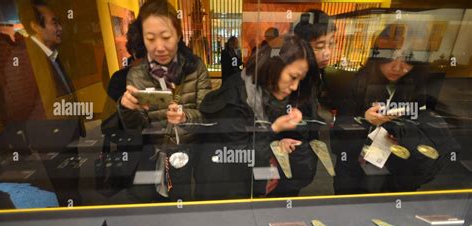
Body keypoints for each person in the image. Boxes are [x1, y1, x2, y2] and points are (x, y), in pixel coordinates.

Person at [332, 23, 460, 194]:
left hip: (400, 167)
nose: (397, 67)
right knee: (351, 206)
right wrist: (364, 119)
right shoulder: (360, 83)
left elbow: (432, 126)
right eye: (390, 57)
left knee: (390, 206)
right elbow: (338, 133)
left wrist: (405, 129)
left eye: (408, 60)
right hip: (357, 167)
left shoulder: (420, 86)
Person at [195, 34, 319, 200]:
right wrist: (274, 130)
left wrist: (285, 137)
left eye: (300, 80)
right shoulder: (236, 97)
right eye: (292, 77)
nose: (295, 86)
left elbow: (302, 166)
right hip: (223, 190)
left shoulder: (275, 96)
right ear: (274, 66)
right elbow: (238, 158)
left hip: (253, 190)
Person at [119, 0, 211, 202]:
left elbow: (208, 116)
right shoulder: (136, 75)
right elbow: (136, 130)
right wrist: (128, 109)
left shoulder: (196, 67)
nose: (159, 47)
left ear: (178, 34)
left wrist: (185, 117)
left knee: (192, 207)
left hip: (194, 153)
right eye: (150, 38)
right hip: (157, 154)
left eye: (166, 37)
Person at [0, 0, 84, 206]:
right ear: (36, 26)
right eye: (54, 23)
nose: (60, 28)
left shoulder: (49, 55)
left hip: (64, 135)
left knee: (73, 189)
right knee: (64, 193)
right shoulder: (25, 57)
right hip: (50, 140)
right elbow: (18, 106)